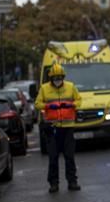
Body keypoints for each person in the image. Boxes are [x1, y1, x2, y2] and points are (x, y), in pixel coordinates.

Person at [34, 63, 81, 193]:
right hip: (52, 128)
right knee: (53, 157)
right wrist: (48, 106)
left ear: (63, 77)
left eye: (59, 77)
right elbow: (37, 104)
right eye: (55, 78)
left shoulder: (71, 87)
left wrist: (71, 104)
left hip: (68, 128)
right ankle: (53, 184)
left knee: (69, 157)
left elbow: (79, 101)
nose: (57, 80)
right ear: (51, 78)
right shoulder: (44, 88)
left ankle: (72, 182)